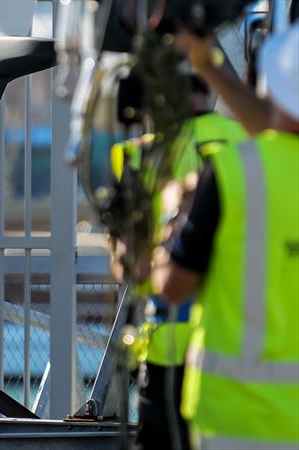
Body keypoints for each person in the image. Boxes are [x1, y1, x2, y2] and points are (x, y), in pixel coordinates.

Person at [154, 22, 299, 449]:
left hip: (236, 421)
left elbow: (173, 286)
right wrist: (211, 67)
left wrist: (171, 218)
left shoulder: (236, 170)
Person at [110, 77, 248, 450]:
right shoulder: (250, 146)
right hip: (247, 346)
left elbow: (131, 268)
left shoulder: (144, 155)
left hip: (169, 350)